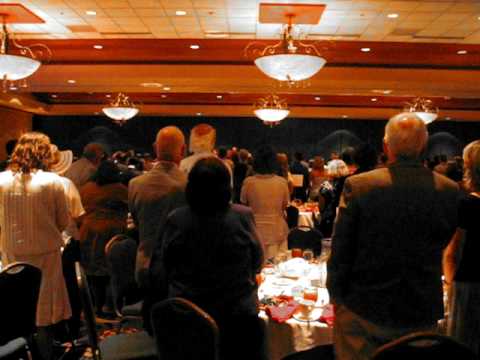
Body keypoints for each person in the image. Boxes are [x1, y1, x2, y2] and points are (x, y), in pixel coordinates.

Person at [327, 113, 459, 360]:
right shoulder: (449, 190)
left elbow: (341, 249)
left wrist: (336, 296)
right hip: (420, 309)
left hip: (363, 306)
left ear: (385, 145)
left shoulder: (360, 186)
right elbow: (444, 242)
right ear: (424, 146)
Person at [157, 157, 264, 360]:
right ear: (227, 187)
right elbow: (258, 262)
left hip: (188, 317)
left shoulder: (176, 220)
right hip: (238, 321)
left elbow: (165, 265)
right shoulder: (242, 216)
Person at [0, 132, 71, 359]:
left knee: (17, 308)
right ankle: (46, 355)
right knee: (44, 314)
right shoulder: (54, 182)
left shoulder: (1, 181)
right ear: (45, 153)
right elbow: (63, 221)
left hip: (12, 255)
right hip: (46, 256)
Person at [128, 126, 187, 287]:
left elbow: (137, 224)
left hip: (144, 268)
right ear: (183, 150)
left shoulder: (135, 184)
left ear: (155, 148)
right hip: (179, 270)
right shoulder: (189, 186)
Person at [443, 140, 480, 356]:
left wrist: (449, 286)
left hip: (468, 287)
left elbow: (451, 253)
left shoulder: (466, 205)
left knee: (463, 347)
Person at [78, 160, 128, 316]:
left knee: (91, 273)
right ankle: (109, 307)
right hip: (111, 234)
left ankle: (93, 308)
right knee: (110, 271)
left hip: (87, 233)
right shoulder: (121, 190)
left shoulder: (86, 189)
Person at [241, 145, 289, 260]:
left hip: (254, 230)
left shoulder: (248, 182)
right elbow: (284, 206)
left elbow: (243, 205)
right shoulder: (282, 182)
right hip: (277, 231)